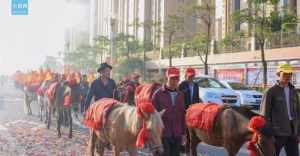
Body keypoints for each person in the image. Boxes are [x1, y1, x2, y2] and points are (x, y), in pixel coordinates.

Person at [260, 64, 300, 156]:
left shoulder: (293, 92)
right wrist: (269, 134)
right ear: (278, 74)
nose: (288, 76)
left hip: (292, 132)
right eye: (285, 74)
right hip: (277, 133)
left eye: (290, 74)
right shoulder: (270, 91)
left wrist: (298, 132)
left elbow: (298, 112)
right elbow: (264, 114)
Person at [151, 67, 186, 156]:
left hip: (177, 133)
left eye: (176, 79)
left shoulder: (180, 95)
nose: (174, 81)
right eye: (172, 79)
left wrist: (183, 133)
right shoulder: (158, 94)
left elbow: (182, 114)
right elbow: (152, 116)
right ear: (167, 78)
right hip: (163, 133)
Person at [179, 67, 200, 154]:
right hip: (184, 110)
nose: (191, 78)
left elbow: (197, 98)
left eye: (192, 76)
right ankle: (183, 147)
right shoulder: (182, 85)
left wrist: (198, 108)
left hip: (193, 111)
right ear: (186, 76)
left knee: (191, 130)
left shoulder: (196, 85)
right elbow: (179, 98)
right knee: (184, 129)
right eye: (189, 76)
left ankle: (190, 147)